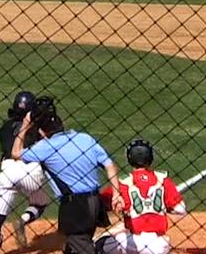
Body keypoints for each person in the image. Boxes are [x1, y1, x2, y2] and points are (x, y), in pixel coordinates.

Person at [12, 97, 124, 254]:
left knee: (82, 247)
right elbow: (110, 165)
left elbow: (15, 153)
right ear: (62, 124)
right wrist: (116, 193)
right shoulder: (85, 138)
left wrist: (25, 125)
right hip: (95, 203)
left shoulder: (46, 147)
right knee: (72, 246)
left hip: (75, 207)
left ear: (42, 131)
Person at [0, 91, 51, 254]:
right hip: (31, 170)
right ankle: (23, 220)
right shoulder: (37, 127)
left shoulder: (4, 128)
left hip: (8, 170)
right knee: (40, 203)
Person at [95, 139, 187, 254]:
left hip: (131, 243)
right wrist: (164, 207)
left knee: (100, 243)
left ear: (129, 158)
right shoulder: (162, 179)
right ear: (150, 158)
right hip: (159, 245)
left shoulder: (124, 183)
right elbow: (181, 209)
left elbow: (99, 204)